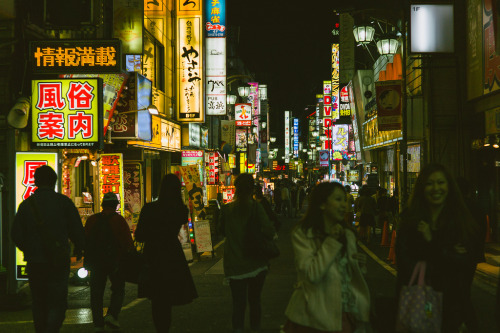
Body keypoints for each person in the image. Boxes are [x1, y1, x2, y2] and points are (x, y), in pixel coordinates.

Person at [395, 164, 480, 333]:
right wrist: (445, 252)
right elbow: (405, 265)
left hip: (454, 307)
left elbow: (465, 265)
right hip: (418, 302)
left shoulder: (461, 223)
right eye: (429, 183)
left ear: (449, 186)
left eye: (440, 182)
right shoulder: (410, 221)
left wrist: (430, 243)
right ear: (422, 188)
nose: (436, 188)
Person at [283, 182, 371, 332]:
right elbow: (311, 275)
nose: (344, 205)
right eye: (338, 199)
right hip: (312, 316)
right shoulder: (303, 234)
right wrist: (331, 242)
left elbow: (347, 278)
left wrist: (359, 266)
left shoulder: (347, 234)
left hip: (346, 313)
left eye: (344, 200)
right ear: (322, 204)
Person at [11, 165, 85, 333]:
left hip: (35, 262)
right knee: (58, 300)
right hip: (58, 260)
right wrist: (79, 248)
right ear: (54, 181)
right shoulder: (63, 203)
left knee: (39, 301)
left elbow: (16, 234)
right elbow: (76, 230)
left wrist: (29, 249)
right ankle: (51, 328)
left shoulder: (26, 205)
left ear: (36, 181)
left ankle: (42, 329)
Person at [134, 174, 198, 332]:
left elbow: (139, 235)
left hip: (153, 255)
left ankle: (160, 328)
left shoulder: (149, 209)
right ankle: (165, 328)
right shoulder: (181, 210)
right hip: (172, 254)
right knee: (168, 296)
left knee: (157, 298)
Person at [218, 173, 276, 333]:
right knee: (255, 300)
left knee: (238, 303)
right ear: (252, 188)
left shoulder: (227, 210)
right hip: (256, 262)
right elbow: (270, 231)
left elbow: (221, 231)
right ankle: (255, 328)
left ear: (235, 189)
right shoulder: (256, 207)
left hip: (234, 263)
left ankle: (238, 328)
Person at [84, 192, 134, 332]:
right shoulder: (118, 221)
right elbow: (127, 242)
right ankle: (112, 314)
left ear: (102, 205)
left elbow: (85, 239)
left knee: (96, 293)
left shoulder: (92, 220)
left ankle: (98, 324)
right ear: (116, 205)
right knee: (118, 289)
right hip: (115, 261)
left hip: (96, 262)